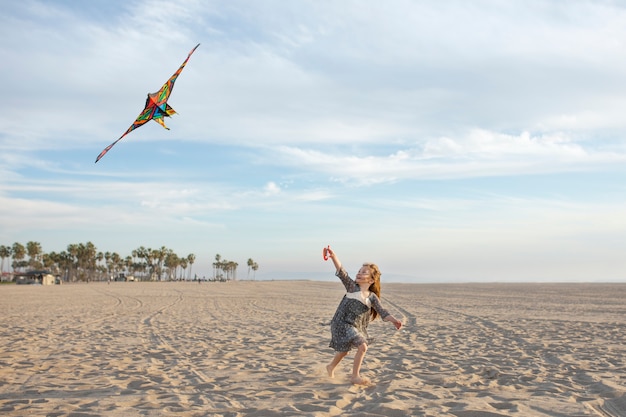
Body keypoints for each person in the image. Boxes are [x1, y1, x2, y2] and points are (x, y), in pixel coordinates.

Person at [325, 247, 402, 385]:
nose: (359, 273)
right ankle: (355, 376)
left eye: (364, 272)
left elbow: (382, 312)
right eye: (359, 271)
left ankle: (331, 367)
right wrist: (333, 256)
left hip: (354, 326)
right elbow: (341, 272)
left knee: (344, 351)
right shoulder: (351, 287)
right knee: (363, 346)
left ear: (372, 280)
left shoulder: (372, 297)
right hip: (341, 323)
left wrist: (394, 320)